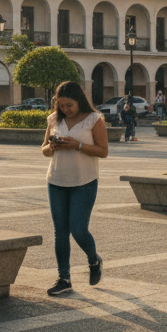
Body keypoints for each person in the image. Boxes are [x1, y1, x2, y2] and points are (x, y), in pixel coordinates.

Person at [42, 80, 108, 296]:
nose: (65, 109)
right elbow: (43, 149)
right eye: (61, 105)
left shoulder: (93, 120)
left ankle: (93, 259)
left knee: (78, 229)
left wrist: (77, 145)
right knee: (60, 232)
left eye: (69, 105)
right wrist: (51, 146)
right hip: (56, 180)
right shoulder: (54, 119)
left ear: (79, 100)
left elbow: (103, 151)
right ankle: (64, 278)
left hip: (84, 182)